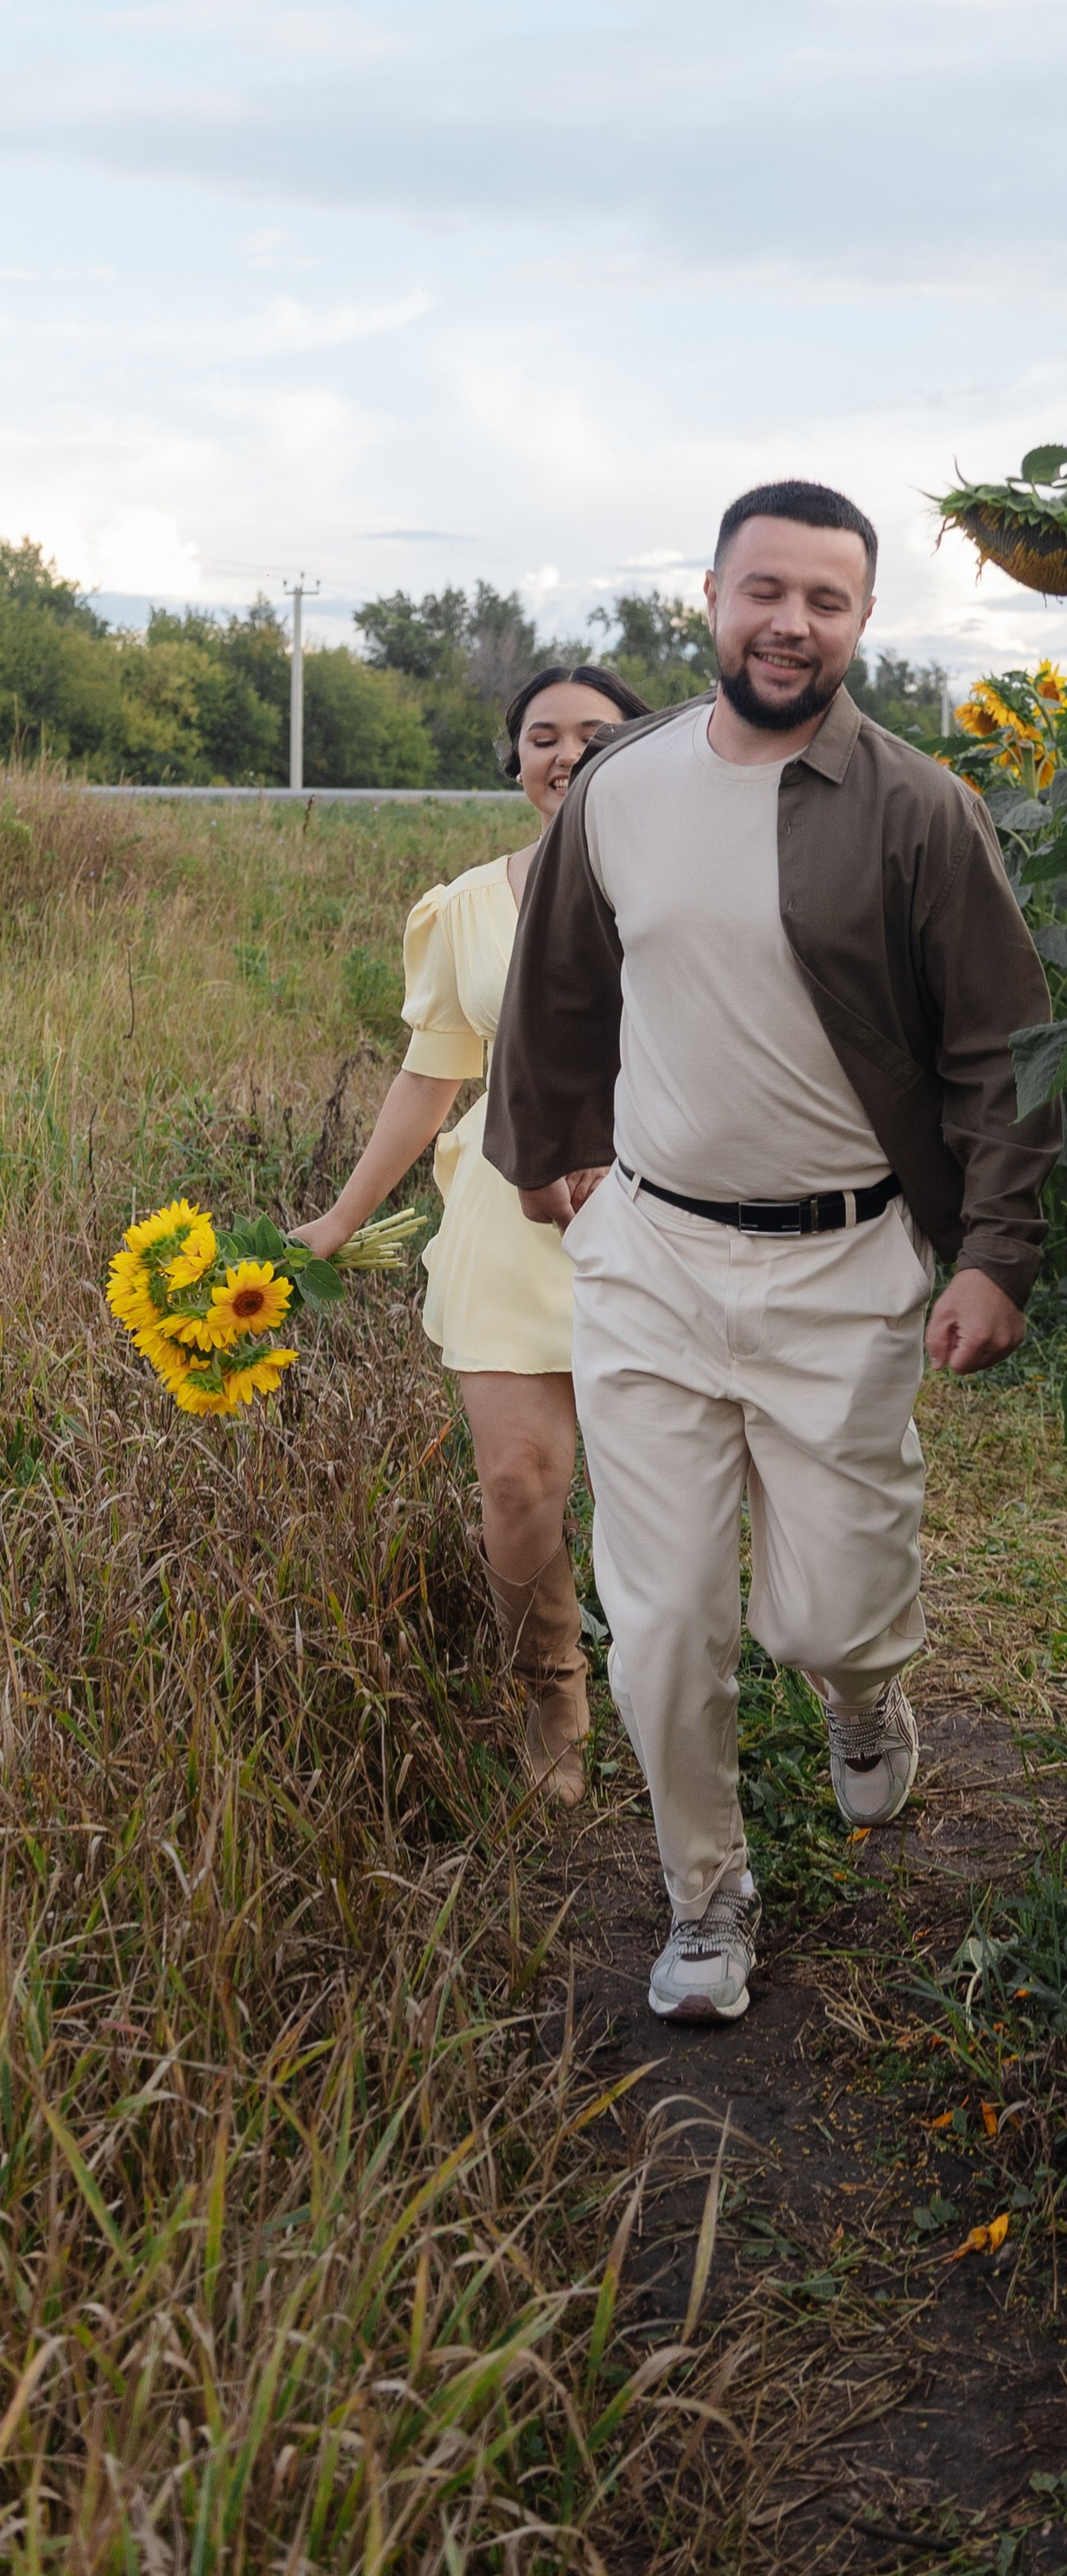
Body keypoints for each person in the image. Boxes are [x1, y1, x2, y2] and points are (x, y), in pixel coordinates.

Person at [484, 478, 1058, 2024]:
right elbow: (556, 991)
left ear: (863, 621)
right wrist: (555, 1166)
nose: (790, 624)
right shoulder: (626, 786)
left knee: (823, 1614)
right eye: (766, 592)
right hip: (653, 1261)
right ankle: (704, 1893)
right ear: (715, 598)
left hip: (842, 1264)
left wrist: (997, 1252)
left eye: (827, 599)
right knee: (664, 1625)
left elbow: (1003, 1048)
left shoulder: (920, 809)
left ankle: (865, 1697)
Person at [293, 663, 647, 1800]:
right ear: (515, 761)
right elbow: (430, 1076)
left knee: (660, 1483)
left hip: (667, 1203)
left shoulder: (697, 891)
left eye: (596, 733)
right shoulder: (467, 907)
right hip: (508, 1203)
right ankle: (548, 1681)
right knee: (520, 1479)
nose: (566, 753)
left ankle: (679, 1679)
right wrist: (343, 1219)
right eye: (542, 735)